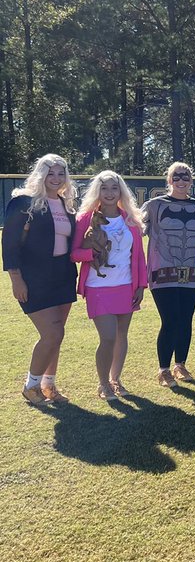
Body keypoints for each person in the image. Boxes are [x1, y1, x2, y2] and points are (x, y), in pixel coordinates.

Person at [2, 153, 78, 405]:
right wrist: (16, 278)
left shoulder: (67, 205)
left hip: (63, 276)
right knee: (52, 332)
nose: (55, 178)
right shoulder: (24, 202)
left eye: (60, 173)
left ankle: (48, 385)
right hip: (34, 277)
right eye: (50, 173)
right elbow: (10, 243)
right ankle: (31, 385)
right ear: (41, 174)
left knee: (58, 333)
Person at [71, 171, 147, 399]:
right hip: (98, 287)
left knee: (122, 335)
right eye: (104, 188)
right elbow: (73, 254)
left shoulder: (130, 219)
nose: (110, 193)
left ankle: (115, 380)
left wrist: (141, 285)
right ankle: (103, 383)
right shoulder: (85, 218)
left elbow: (139, 256)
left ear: (121, 191)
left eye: (114, 188)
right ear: (98, 191)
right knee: (108, 337)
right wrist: (91, 253)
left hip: (126, 285)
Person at [142, 162, 195, 387]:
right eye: (176, 177)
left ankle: (180, 364)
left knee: (185, 320)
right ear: (169, 180)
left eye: (185, 177)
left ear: (191, 181)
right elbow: (134, 227)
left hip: (191, 272)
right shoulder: (154, 206)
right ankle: (164, 369)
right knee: (169, 319)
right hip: (162, 271)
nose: (181, 181)